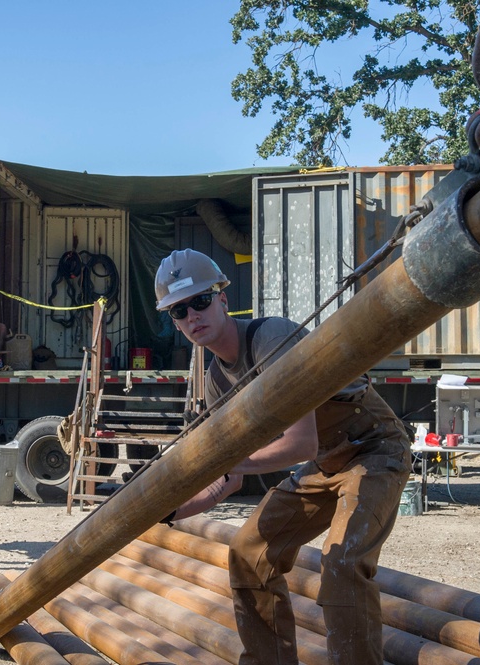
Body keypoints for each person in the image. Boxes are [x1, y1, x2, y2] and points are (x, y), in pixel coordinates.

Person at [154, 249, 411, 665]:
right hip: (326, 463)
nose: (191, 316)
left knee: (342, 564)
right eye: (179, 311)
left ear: (222, 297)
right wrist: (165, 511)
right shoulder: (217, 380)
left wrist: (226, 462)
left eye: (200, 301)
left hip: (374, 450)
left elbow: (300, 444)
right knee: (248, 552)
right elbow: (229, 481)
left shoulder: (271, 338)